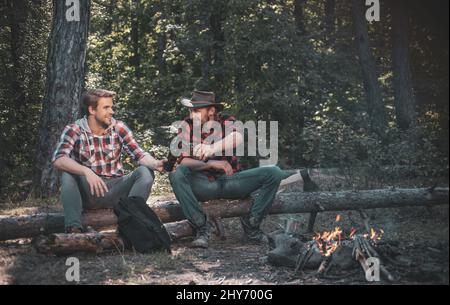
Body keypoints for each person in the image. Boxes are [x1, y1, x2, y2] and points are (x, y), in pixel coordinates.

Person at [169, 90, 287, 248]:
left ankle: (252, 227)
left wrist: (212, 148)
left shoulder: (226, 120)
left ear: (211, 110)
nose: (191, 115)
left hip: (231, 181)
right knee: (176, 172)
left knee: (274, 172)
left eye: (196, 111)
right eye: (190, 111)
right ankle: (202, 228)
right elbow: (183, 160)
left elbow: (237, 137)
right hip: (203, 184)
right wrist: (209, 164)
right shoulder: (187, 125)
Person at [52, 89, 166, 233]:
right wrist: (86, 171)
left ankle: (133, 225)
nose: (111, 111)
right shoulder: (74, 130)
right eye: (106, 107)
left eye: (111, 107)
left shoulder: (119, 128)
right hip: (89, 192)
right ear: (92, 110)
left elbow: (139, 154)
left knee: (145, 172)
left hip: (116, 190)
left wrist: (156, 164)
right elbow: (59, 159)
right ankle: (74, 230)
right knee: (68, 174)